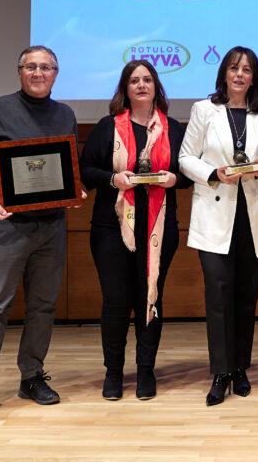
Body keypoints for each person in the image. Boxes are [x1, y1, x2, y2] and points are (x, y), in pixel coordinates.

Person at [0, 45, 84, 422]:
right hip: (6, 226)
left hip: (51, 227)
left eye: (45, 67)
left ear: (56, 74)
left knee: (43, 306)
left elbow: (67, 167)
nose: (38, 73)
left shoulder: (66, 114)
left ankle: (31, 377)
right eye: (31, 66)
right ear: (19, 72)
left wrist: (74, 190)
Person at [79, 60, 191, 401]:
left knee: (150, 297)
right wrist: (113, 179)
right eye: (134, 80)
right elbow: (85, 170)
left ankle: (145, 371)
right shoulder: (106, 127)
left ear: (156, 86)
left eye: (147, 79)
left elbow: (189, 173)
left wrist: (176, 179)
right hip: (111, 228)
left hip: (158, 228)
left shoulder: (173, 128)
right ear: (125, 89)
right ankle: (113, 373)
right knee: (115, 301)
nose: (141, 85)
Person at [178, 46, 258, 407]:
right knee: (219, 295)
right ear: (224, 73)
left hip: (254, 216)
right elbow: (185, 157)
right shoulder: (203, 110)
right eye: (234, 68)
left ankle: (240, 368)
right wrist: (212, 173)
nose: (240, 75)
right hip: (214, 214)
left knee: (246, 297)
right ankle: (220, 373)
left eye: (247, 70)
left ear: (255, 78)